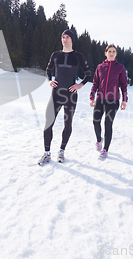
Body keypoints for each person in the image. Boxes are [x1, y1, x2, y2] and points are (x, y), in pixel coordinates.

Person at [39, 29, 92, 165]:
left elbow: (88, 73)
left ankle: (62, 151)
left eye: (68, 37)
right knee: (48, 123)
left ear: (72, 39)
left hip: (71, 96)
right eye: (63, 37)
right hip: (56, 94)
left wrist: (80, 85)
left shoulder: (78, 56)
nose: (65, 39)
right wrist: (49, 80)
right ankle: (46, 153)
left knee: (67, 124)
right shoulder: (55, 55)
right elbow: (48, 70)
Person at [89, 44, 128, 160]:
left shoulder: (120, 68)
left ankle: (105, 149)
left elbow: (124, 85)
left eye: (114, 51)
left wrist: (124, 100)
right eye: (109, 51)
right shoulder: (100, 67)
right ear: (105, 53)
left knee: (108, 123)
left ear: (116, 54)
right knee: (96, 121)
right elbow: (95, 82)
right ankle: (99, 140)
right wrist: (92, 97)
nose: (111, 53)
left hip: (113, 100)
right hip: (100, 99)